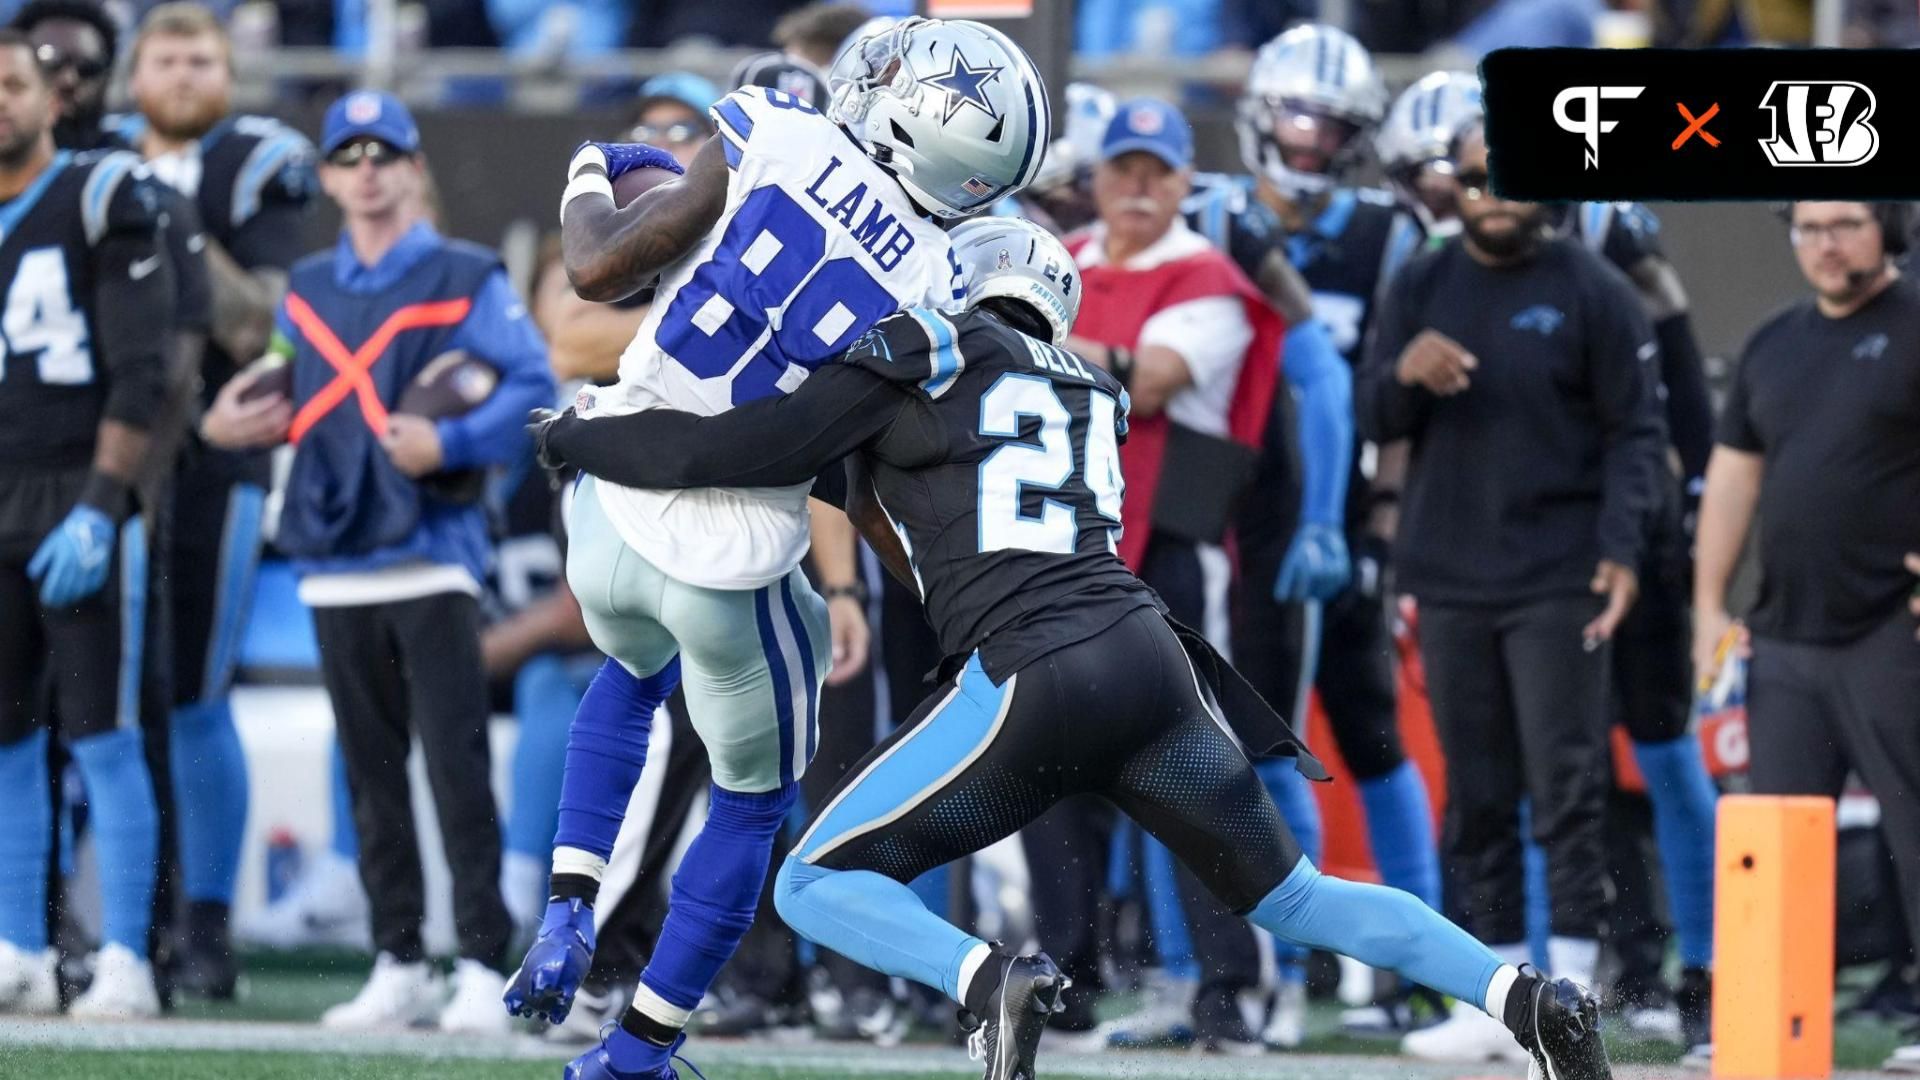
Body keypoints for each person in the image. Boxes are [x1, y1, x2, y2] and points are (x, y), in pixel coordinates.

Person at [533, 213, 1620, 1080]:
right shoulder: (1085, 386)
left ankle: (985, 983)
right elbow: (915, 501)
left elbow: (758, 440)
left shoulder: (928, 351)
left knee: (814, 882)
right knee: (1297, 896)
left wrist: (584, 433)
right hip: (1148, 657)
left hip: (1034, 666)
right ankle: (1525, 997)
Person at [505, 17, 1049, 1080]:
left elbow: (593, 265)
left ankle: (569, 907)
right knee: (754, 805)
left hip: (604, 509)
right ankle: (637, 1052)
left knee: (625, 671)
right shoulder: (942, 294)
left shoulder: (768, 131)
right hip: (735, 555)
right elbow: (850, 462)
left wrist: (592, 168)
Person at [197, 88, 553, 1032]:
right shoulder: (307, 286)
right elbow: (279, 373)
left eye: (382, 154)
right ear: (325, 177)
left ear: (412, 168)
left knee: (456, 766)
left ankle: (480, 959)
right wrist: (231, 417)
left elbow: (532, 383)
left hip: (432, 549)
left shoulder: (468, 271)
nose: (365, 170)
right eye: (347, 156)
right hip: (332, 550)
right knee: (368, 772)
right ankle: (397, 957)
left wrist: (455, 441)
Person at [1356, 120, 1667, 1064]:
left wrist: (1621, 550)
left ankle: (1568, 991)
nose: (1493, 194)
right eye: (1477, 177)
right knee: (1477, 794)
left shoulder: (1596, 291)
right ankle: (1492, 998)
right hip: (1449, 574)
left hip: (1558, 574)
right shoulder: (1423, 278)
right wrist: (1404, 374)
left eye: (1512, 177)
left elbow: (1638, 435)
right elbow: (1372, 406)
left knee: (1565, 788)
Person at [1189, 23, 1447, 1041]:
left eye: (1329, 126)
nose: (1306, 143)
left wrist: (1376, 519)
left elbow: (1403, 400)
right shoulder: (1208, 213)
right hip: (1233, 523)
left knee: (1371, 734)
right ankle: (1261, 971)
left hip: (1338, 526)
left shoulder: (1390, 234)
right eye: (1293, 119)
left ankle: (1405, 972)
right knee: (1247, 747)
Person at [1060, 96, 1287, 1054]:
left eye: (1158, 170)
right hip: (1068, 553)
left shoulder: (1208, 276)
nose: (1140, 188)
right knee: (1057, 768)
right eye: (1124, 169)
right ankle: (1083, 976)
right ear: (1098, 175)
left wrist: (1031, 341)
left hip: (1176, 545)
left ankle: (1237, 985)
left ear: (1188, 180)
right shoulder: (1067, 257)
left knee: (1202, 768)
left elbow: (1147, 380)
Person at [110, 0, 318, 996]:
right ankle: (113, 921)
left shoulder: (258, 162)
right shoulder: (97, 162)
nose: (185, 74)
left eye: (202, 58)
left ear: (230, 75)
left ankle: (206, 924)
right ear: (134, 74)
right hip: (100, 461)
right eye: (167, 57)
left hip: (212, 462)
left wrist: (174, 214)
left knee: (193, 693)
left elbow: (261, 324)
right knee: (94, 698)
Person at [1692, 200, 1920, 1073]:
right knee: (1773, 835)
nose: (1826, 245)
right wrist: (1710, 605)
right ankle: (1763, 1019)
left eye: (1846, 224)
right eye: (1809, 228)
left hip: (1891, 626)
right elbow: (1732, 477)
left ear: (1889, 228)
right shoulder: (1773, 341)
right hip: (1783, 633)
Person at [0, 28, 178, 1018]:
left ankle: (126, 958)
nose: (0, 100)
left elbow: (142, 373)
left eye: (12, 84)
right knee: (5, 742)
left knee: (104, 733)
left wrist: (104, 508)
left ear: (47, 97)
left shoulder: (100, 191)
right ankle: (18, 943)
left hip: (77, 492)